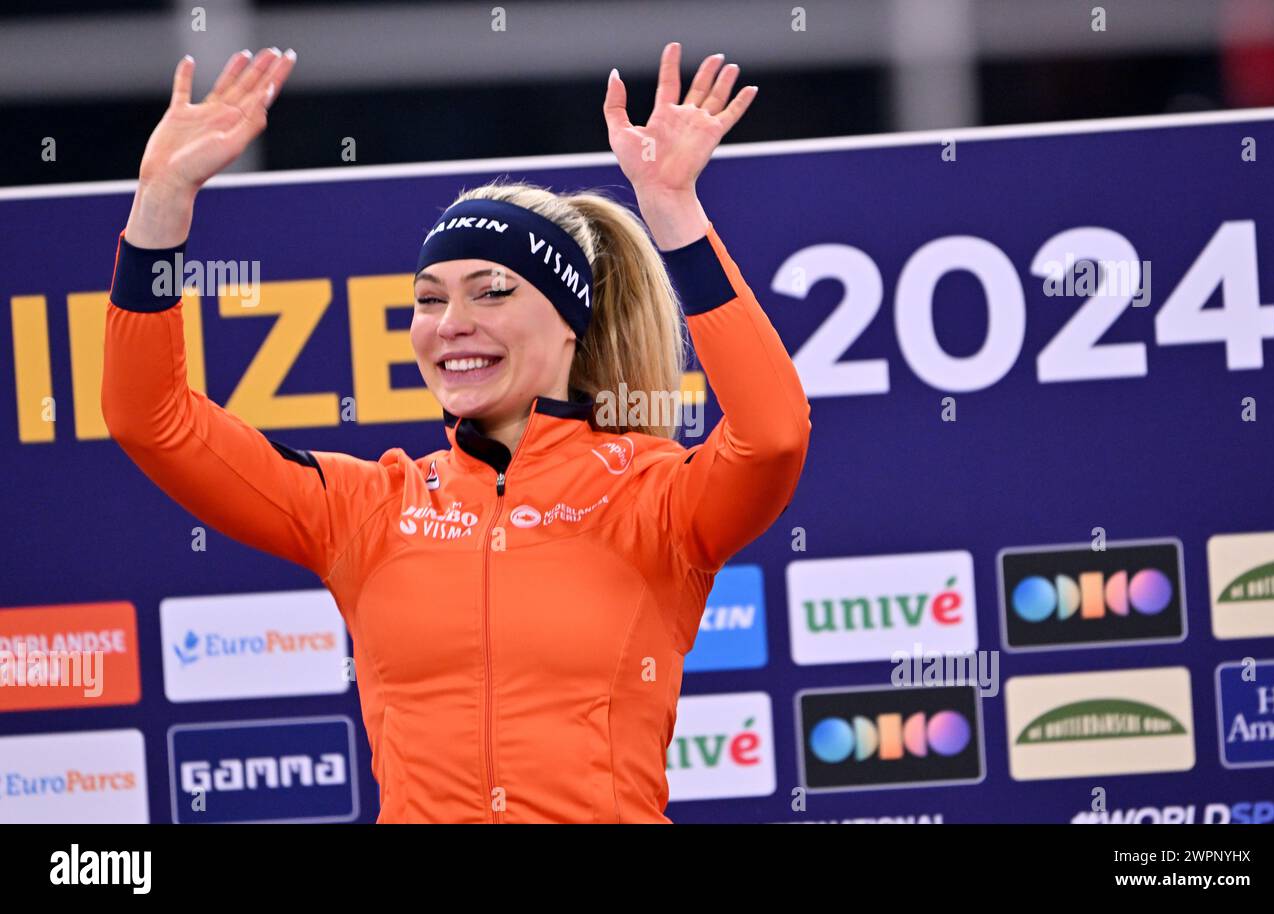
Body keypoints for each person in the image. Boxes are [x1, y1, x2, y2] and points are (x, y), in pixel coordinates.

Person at [103, 42, 811, 823]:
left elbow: (774, 435)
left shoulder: (654, 497)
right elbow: (152, 419)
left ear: (570, 325)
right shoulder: (366, 508)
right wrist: (160, 204)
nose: (452, 326)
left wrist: (675, 212)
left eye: (491, 292)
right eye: (429, 299)